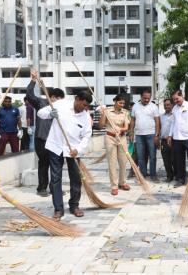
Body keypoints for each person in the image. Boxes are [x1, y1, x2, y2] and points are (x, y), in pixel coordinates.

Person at [38, 91, 93, 220]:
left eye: (87, 106)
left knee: (76, 178)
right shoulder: (61, 104)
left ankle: (74, 205)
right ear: (77, 99)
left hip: (72, 149)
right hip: (55, 146)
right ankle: (58, 209)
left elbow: (86, 136)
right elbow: (40, 113)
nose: (85, 108)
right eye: (83, 105)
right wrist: (50, 114)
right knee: (56, 179)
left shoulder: (85, 116)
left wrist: (78, 150)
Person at [27, 71, 65, 197]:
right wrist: (33, 80)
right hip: (42, 139)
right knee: (44, 163)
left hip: (56, 140)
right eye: (57, 98)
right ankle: (42, 188)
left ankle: (55, 188)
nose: (59, 100)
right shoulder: (41, 103)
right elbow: (29, 95)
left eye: (61, 99)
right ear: (52, 96)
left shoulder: (61, 108)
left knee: (56, 165)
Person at [98, 94, 130, 195]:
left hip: (121, 138)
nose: (122, 105)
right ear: (115, 101)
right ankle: (114, 186)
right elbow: (101, 125)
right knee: (112, 163)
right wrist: (103, 114)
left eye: (123, 103)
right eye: (120, 102)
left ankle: (122, 182)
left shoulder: (125, 112)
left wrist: (120, 129)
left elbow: (126, 127)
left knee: (123, 162)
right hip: (110, 138)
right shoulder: (107, 111)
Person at [130, 89, 160, 182]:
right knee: (140, 156)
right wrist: (131, 133)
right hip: (139, 135)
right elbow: (133, 120)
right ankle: (142, 174)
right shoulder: (135, 106)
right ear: (140, 96)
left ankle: (153, 175)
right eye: (145, 98)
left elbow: (157, 121)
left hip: (151, 135)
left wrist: (157, 135)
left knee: (152, 156)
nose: (147, 100)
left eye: (148, 98)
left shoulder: (154, 107)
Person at [167, 90, 188, 187]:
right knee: (179, 160)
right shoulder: (174, 108)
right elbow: (173, 123)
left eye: (177, 99)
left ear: (182, 96)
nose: (175, 101)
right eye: (174, 99)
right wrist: (170, 135)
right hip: (177, 137)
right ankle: (181, 179)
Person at [160, 99, 174, 182]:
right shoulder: (161, 116)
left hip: (173, 141)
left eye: (168, 105)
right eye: (165, 105)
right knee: (166, 160)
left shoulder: (175, 115)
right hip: (164, 141)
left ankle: (177, 174)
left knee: (174, 159)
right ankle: (169, 175)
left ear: (172, 105)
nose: (167, 107)